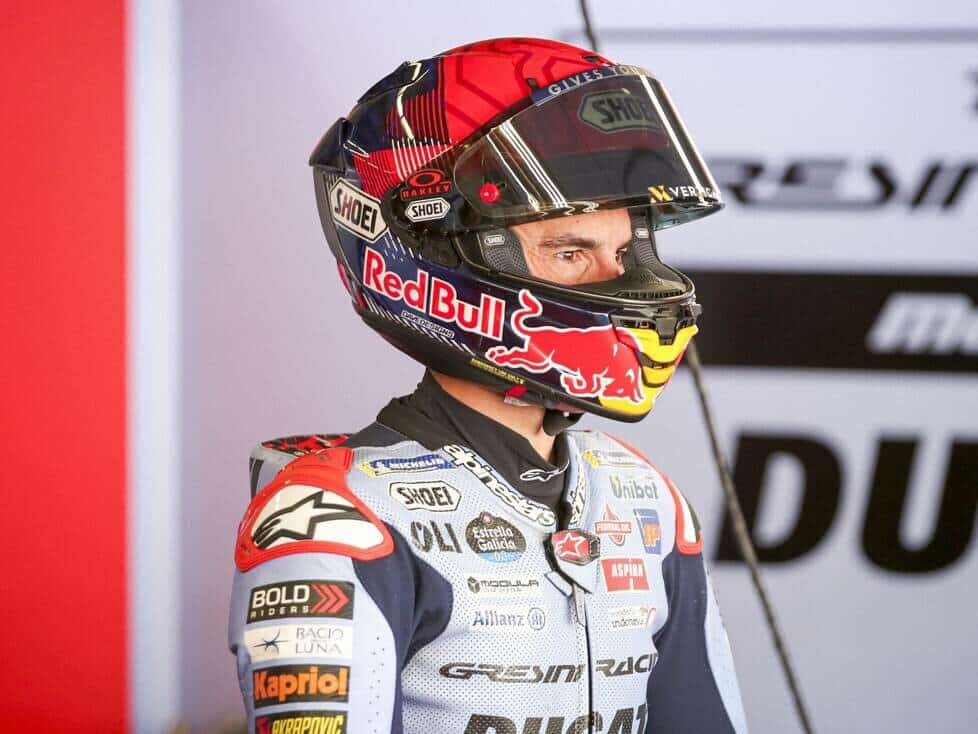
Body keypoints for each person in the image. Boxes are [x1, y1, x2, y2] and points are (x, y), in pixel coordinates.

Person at [229, 37, 747, 734]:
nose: (619, 282)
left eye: (623, 252)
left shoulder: (644, 499)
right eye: (571, 252)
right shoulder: (334, 518)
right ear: (437, 257)